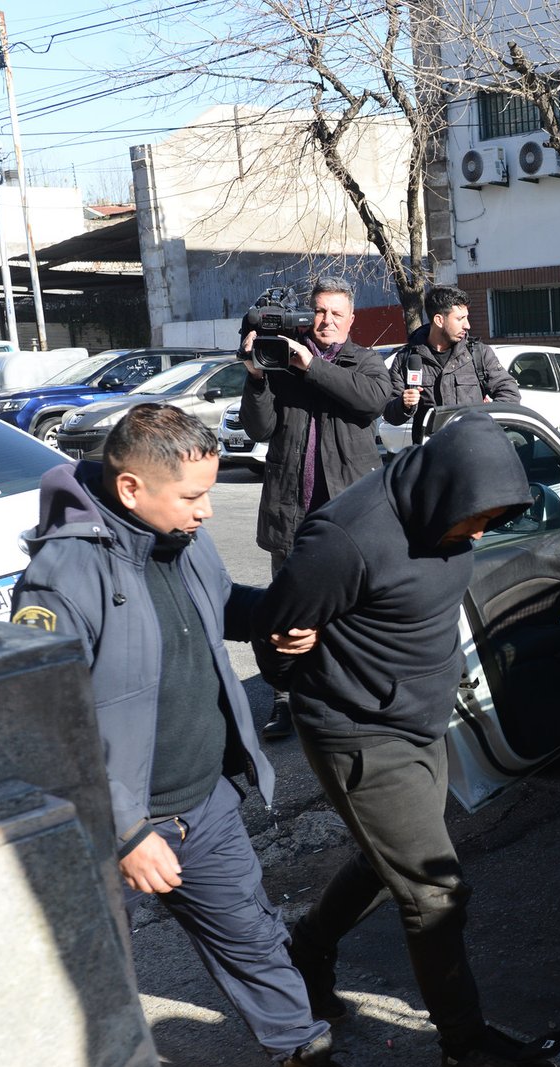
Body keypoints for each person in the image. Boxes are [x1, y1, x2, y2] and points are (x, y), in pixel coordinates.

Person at [9, 404, 407, 1067]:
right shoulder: (62, 577)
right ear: (130, 489)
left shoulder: (183, 539)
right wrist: (126, 832)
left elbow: (219, 604)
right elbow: (49, 721)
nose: (205, 512)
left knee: (256, 940)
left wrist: (275, 617)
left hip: (205, 802)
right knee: (90, 976)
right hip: (113, 829)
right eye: (191, 498)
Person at [251, 412, 560, 1067]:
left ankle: (307, 952)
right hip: (359, 733)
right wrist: (292, 653)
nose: (481, 531)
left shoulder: (450, 512)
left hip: (421, 720)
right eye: (474, 516)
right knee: (434, 892)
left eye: (493, 516)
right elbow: (275, 635)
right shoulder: (344, 539)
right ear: (441, 488)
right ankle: (464, 1052)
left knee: (385, 860)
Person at [240, 275, 396, 741]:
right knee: (288, 611)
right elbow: (258, 428)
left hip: (348, 519)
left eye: (335, 313)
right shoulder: (281, 361)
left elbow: (371, 402)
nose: (325, 321)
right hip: (292, 511)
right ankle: (286, 698)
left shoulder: (365, 362)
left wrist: (310, 365)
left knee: (351, 609)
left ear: (351, 319)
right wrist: (257, 377)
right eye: (319, 312)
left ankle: (349, 694)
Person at [381, 285, 521, 444]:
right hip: (431, 458)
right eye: (460, 319)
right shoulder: (407, 359)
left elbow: (510, 393)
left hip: (473, 452)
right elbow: (388, 412)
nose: (467, 325)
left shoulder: (478, 354)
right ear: (439, 320)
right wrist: (403, 404)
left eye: (466, 317)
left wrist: (486, 418)